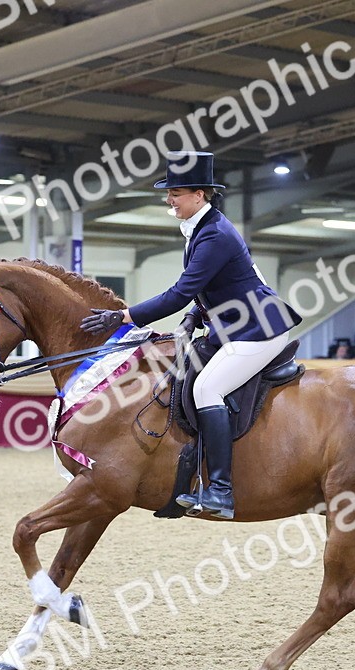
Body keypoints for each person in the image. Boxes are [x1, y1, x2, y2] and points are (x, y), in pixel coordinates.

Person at [80, 151, 302, 521]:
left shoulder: (214, 234)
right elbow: (220, 285)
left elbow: (181, 290)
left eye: (176, 193)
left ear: (199, 195)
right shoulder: (203, 227)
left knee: (206, 390)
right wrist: (194, 316)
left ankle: (221, 489)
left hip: (259, 330)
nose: (169, 199)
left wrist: (124, 316)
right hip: (233, 326)